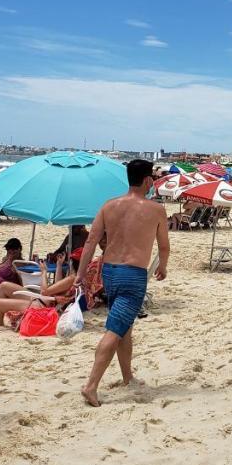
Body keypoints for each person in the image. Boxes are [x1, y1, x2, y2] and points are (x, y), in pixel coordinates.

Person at [76, 159, 169, 407]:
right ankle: (91, 385)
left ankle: (127, 376)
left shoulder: (109, 206)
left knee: (124, 325)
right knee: (115, 329)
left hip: (110, 272)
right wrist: (163, 265)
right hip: (133, 275)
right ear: (148, 180)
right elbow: (164, 245)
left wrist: (80, 273)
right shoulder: (155, 209)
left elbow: (90, 241)